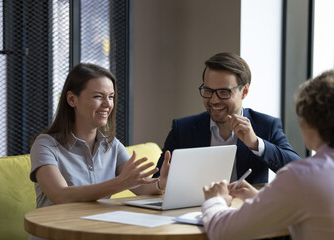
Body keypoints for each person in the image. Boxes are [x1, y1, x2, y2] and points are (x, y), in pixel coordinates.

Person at [201, 69, 334, 240]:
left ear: (308, 121)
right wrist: (261, 199)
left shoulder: (302, 176)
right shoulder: (305, 179)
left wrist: (214, 200)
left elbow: (223, 232)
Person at [30, 63, 170, 209]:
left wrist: (161, 183)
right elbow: (60, 195)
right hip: (56, 230)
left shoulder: (112, 145)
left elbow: (141, 188)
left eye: (111, 97)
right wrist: (120, 183)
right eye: (98, 96)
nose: (108, 104)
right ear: (72, 99)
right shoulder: (45, 145)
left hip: (96, 228)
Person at [153, 52, 299, 184]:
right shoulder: (183, 129)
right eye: (208, 91)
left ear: (244, 91)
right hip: (194, 211)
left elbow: (298, 171)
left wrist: (255, 143)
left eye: (224, 92)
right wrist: (160, 184)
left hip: (245, 210)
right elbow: (158, 180)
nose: (214, 100)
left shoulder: (266, 126)